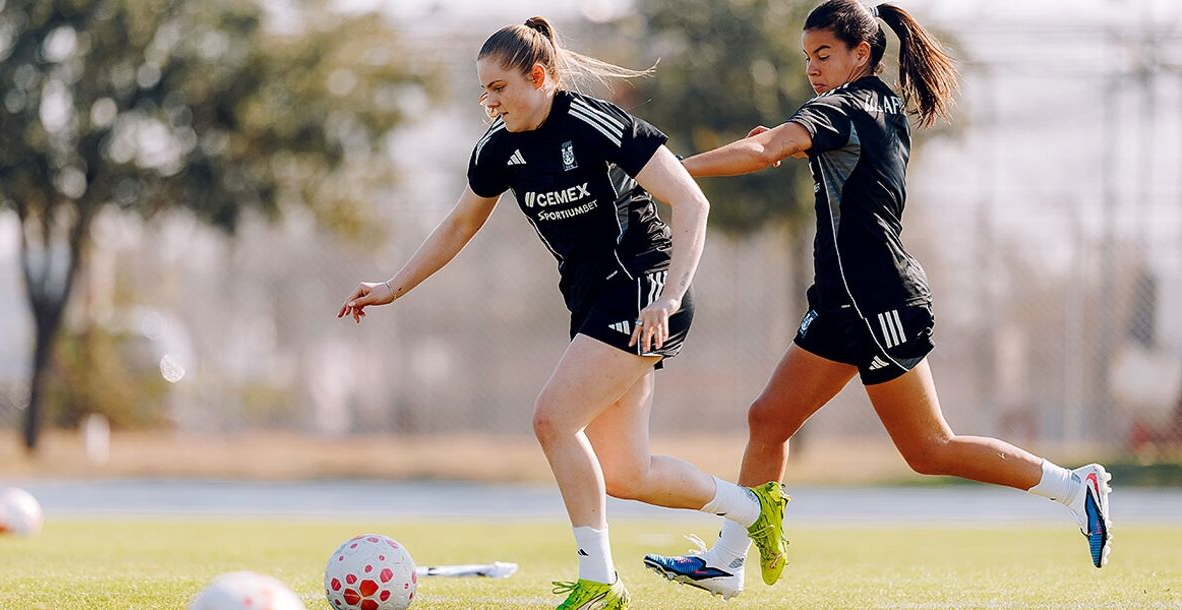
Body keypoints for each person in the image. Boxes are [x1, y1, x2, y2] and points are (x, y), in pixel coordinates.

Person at [643, 0, 1112, 599]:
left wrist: (664, 173)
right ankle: (728, 562)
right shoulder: (872, 103)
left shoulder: (842, 106)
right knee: (768, 420)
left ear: (860, 54)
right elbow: (789, 147)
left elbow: (764, 153)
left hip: (879, 302)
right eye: (807, 57)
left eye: (824, 55)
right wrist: (784, 140)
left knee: (929, 450)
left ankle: (1077, 488)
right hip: (842, 302)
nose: (812, 68)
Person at [337, 16, 786, 610]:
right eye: (483, 89)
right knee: (627, 472)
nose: (488, 101)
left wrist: (670, 294)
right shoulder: (498, 150)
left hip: (643, 289)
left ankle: (600, 582)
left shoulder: (594, 123)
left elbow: (690, 200)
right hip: (593, 301)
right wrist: (393, 286)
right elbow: (458, 225)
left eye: (498, 88)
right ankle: (754, 508)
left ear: (538, 76)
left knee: (552, 419)